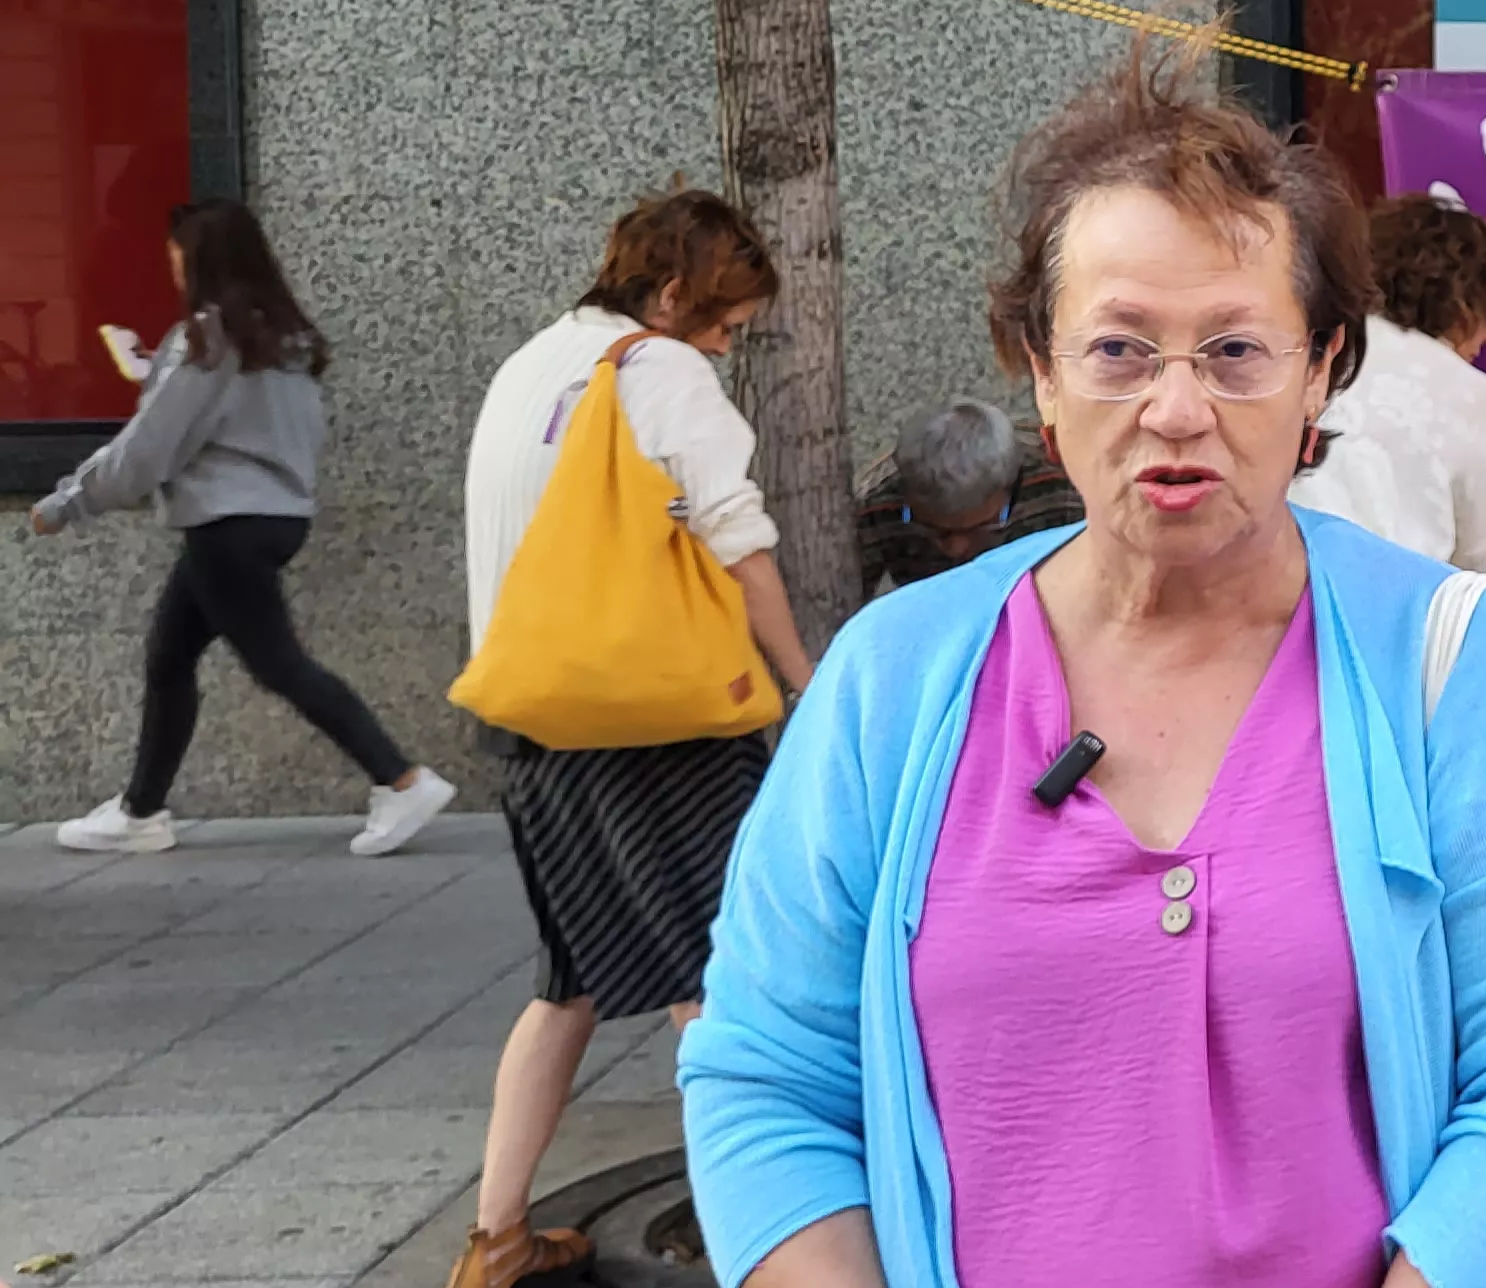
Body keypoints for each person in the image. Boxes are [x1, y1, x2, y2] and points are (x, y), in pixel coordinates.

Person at [681, 35, 1486, 1288]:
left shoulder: (1453, 662)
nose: (1176, 410)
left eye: (1235, 351)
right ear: (1041, 373)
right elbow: (767, 1079)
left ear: (1320, 372)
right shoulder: (892, 678)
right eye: (1120, 349)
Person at [450, 187, 820, 1288]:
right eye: (725, 323)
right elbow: (742, 544)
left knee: (565, 985)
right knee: (723, 983)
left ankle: (497, 1240)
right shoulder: (659, 371)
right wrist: (805, 684)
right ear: (669, 296)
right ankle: (763, 1238)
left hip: (534, 725)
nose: (726, 346)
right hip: (656, 730)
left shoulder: (532, 363)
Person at [30, 199, 453, 856]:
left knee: (278, 663)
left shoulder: (206, 339)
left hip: (225, 523)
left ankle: (401, 779)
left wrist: (68, 502)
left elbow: (149, 447)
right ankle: (140, 810)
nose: (172, 268)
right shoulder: (281, 336)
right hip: (274, 517)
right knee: (169, 656)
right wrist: (153, 369)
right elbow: (225, 411)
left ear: (197, 259)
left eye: (176, 256)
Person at [1289, 190, 1486, 574]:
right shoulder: (1468, 390)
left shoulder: (1310, 349)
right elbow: (1477, 563)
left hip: (1283, 581)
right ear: (1465, 304)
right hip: (1401, 596)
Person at [858, 397, 1081, 595]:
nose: (956, 548)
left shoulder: (1066, 478)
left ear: (1013, 483)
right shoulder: (875, 505)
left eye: (984, 527)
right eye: (933, 530)